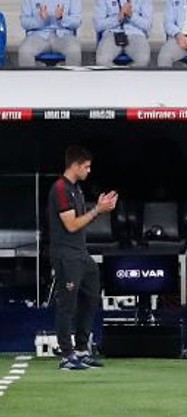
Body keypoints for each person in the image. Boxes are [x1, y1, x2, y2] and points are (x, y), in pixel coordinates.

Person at [49, 146, 117, 371]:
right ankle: (66, 355)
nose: (89, 171)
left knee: (91, 296)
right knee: (67, 305)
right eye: (86, 167)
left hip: (81, 254)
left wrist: (98, 208)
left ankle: (81, 349)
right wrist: (97, 210)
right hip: (66, 255)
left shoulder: (76, 190)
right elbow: (71, 225)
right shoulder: (60, 189)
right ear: (75, 165)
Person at [18, 0, 82, 67]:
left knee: (74, 50)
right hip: (38, 35)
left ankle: (67, 75)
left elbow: (77, 21)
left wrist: (62, 18)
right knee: (24, 51)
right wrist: (40, 20)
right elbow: (24, 22)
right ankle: (34, 74)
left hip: (63, 35)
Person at [94, 0, 153, 67]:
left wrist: (131, 16)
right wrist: (117, 18)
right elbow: (98, 25)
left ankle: (128, 76)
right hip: (112, 33)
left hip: (136, 33)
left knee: (143, 59)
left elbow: (147, 25)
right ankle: (116, 76)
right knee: (102, 60)